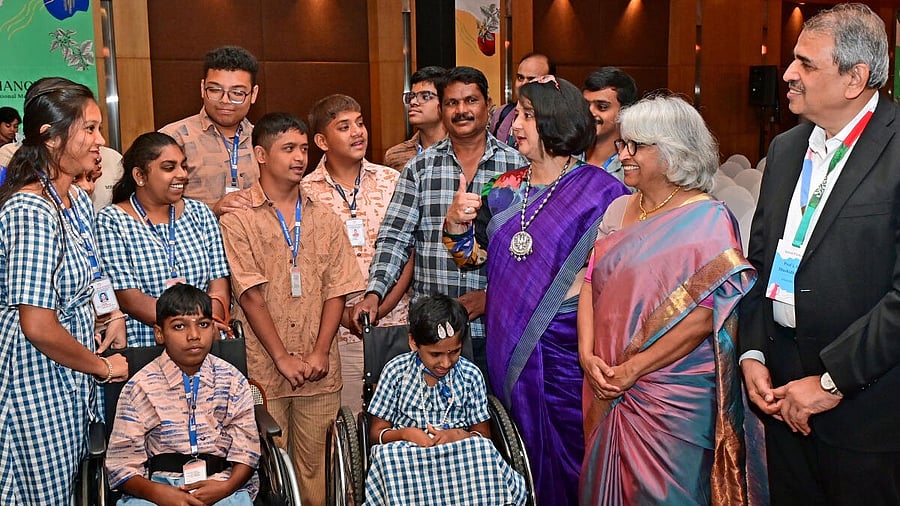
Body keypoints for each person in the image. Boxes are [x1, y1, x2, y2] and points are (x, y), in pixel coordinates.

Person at [740, 4, 900, 504]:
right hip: (783, 390)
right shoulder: (787, 149)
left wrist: (831, 381)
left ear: (855, 78)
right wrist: (753, 350)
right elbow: (761, 260)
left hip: (867, 408)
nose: (788, 74)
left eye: (806, 64)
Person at [443, 75, 627, 506]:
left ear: (554, 120)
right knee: (516, 450)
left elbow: (616, 282)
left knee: (571, 455)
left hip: (567, 351)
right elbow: (472, 258)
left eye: (527, 115)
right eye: (518, 114)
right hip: (504, 341)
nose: (515, 125)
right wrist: (454, 226)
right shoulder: (503, 188)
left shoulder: (605, 193)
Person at [577, 95, 759, 505]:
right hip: (603, 378)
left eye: (634, 146)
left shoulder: (708, 219)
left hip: (670, 394)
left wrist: (634, 369)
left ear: (672, 150)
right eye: (622, 143)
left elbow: (706, 314)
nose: (621, 154)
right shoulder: (620, 207)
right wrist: (587, 357)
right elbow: (590, 283)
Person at [219, 112, 364, 506]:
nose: (300, 157)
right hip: (264, 370)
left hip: (320, 369)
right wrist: (282, 357)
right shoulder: (239, 219)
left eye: (303, 148)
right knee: (268, 471)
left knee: (319, 468)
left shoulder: (324, 217)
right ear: (261, 155)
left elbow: (338, 291)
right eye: (289, 149)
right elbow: (249, 294)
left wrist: (319, 351)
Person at [351, 66, 528, 377]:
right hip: (433, 333)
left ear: (488, 104)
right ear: (443, 110)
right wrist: (374, 292)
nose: (462, 111)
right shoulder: (420, 168)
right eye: (452, 103)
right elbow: (395, 237)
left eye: (471, 101)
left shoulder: (517, 166)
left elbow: (527, 251)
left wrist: (492, 297)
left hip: (496, 326)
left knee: (490, 419)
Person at [0, 77, 129, 503]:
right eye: (89, 129)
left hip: (67, 376)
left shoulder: (72, 198)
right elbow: (36, 325)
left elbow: (93, 271)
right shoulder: (30, 209)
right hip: (33, 380)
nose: (101, 141)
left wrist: (112, 313)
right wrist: (101, 367)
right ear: (50, 139)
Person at [302, 94, 412, 414]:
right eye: (344, 126)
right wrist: (348, 315)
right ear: (322, 140)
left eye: (360, 124)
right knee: (351, 428)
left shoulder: (392, 181)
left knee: (398, 425)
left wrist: (381, 304)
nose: (357, 132)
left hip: (396, 327)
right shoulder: (306, 192)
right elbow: (310, 269)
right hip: (338, 335)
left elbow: (408, 250)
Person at [364, 294, 527, 505]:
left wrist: (457, 435)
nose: (446, 362)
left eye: (455, 352)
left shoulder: (470, 375)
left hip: (457, 450)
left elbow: (483, 435)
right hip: (409, 453)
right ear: (414, 342)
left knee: (483, 450)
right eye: (435, 354)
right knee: (388, 457)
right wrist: (406, 434)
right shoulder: (396, 372)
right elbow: (375, 434)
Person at [106, 284, 260, 505]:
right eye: (179, 326)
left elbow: (248, 450)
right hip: (157, 489)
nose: (194, 335)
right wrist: (158, 493)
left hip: (222, 485)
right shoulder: (140, 387)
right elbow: (122, 464)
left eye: (203, 324)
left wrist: (224, 487)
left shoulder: (232, 380)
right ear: (159, 333)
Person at [96, 132, 231, 347]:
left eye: (183, 166)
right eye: (169, 168)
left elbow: (218, 285)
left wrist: (205, 327)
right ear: (140, 176)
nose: (182, 174)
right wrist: (186, 329)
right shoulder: (112, 221)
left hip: (205, 345)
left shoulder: (200, 213)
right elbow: (130, 298)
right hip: (145, 347)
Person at [160, 45, 259, 217]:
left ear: (254, 94)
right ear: (202, 88)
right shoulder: (173, 138)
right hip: (194, 242)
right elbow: (153, 205)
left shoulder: (262, 140)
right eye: (215, 90)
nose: (225, 100)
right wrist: (212, 211)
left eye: (237, 93)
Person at [383, 66, 448, 171]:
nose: (413, 102)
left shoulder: (461, 149)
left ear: (445, 102)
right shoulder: (395, 156)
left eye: (425, 96)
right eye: (412, 96)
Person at [582, 67, 638, 184]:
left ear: (624, 112)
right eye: (585, 105)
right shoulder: (564, 156)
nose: (590, 112)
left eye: (602, 107)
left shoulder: (633, 166)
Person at [489, 53, 555, 148]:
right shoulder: (502, 114)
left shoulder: (558, 120)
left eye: (531, 79)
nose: (523, 85)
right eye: (520, 78)